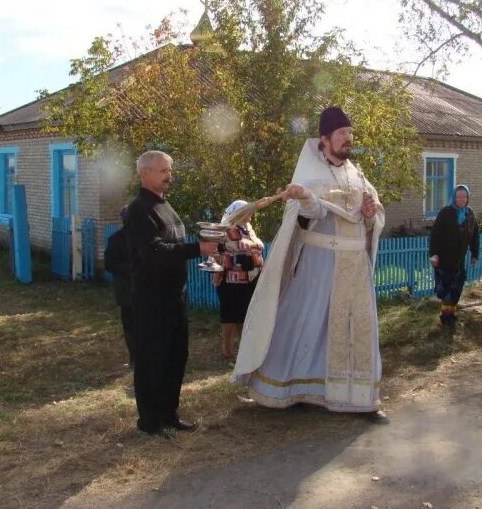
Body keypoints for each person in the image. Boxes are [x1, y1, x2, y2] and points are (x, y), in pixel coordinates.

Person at [232, 106, 387, 421]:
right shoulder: (309, 174)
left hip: (354, 269)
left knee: (356, 328)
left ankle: (360, 399)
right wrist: (305, 197)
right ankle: (291, 388)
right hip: (318, 265)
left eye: (350, 134)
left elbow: (373, 214)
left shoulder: (357, 174)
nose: (348, 139)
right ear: (324, 139)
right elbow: (311, 215)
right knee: (306, 324)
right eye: (342, 134)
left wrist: (372, 213)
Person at [124, 150, 220, 437]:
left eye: (170, 170)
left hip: (175, 296)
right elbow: (154, 252)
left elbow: (173, 244)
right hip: (150, 299)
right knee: (152, 358)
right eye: (163, 171)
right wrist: (196, 249)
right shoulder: (139, 210)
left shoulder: (166, 205)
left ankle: (169, 412)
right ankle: (149, 421)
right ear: (145, 174)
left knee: (176, 356)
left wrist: (204, 245)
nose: (169, 176)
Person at [212, 200, 265, 360]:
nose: (250, 215)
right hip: (231, 279)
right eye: (247, 212)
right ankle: (227, 350)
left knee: (245, 313)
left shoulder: (248, 228)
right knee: (229, 314)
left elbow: (256, 245)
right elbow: (220, 250)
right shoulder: (226, 228)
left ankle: (245, 348)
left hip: (250, 277)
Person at [429, 184, 480, 326]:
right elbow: (435, 235)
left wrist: (475, 254)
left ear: (468, 197)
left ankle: (452, 313)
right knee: (446, 288)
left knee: (457, 286)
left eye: (464, 196)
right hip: (444, 258)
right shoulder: (446, 212)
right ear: (454, 197)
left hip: (459, 260)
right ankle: (445, 316)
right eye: (459, 197)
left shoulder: (470, 214)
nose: (462, 199)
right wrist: (434, 254)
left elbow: (475, 234)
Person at [104, 206, 134, 366]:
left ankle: (145, 357)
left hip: (145, 291)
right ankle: (134, 358)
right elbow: (110, 264)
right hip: (127, 291)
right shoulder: (116, 239)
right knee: (130, 327)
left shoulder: (144, 238)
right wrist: (131, 269)